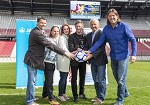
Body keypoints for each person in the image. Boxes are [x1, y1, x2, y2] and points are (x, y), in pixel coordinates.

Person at [86, 9, 137, 105]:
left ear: (117, 16)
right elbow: (100, 41)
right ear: (108, 18)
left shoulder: (124, 26)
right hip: (113, 57)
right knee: (117, 78)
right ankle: (125, 92)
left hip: (123, 56)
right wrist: (90, 50)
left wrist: (133, 54)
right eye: (110, 16)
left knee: (121, 80)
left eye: (114, 15)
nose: (112, 17)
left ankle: (120, 100)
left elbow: (133, 40)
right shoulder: (106, 29)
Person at [24, 17, 74, 105]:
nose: (43, 24)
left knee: (34, 81)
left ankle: (32, 98)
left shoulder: (39, 31)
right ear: (37, 23)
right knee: (31, 82)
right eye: (41, 22)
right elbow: (49, 44)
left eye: (44, 23)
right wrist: (65, 53)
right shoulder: (36, 32)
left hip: (35, 60)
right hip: (32, 59)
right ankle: (30, 101)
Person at [84, 18, 108, 104]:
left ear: (98, 25)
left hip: (100, 60)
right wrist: (84, 54)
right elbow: (87, 46)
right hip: (92, 61)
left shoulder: (102, 34)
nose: (93, 26)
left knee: (101, 80)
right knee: (95, 80)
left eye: (95, 24)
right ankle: (98, 95)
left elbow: (101, 48)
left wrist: (91, 55)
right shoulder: (89, 35)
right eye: (92, 24)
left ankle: (101, 98)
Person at [68, 20, 87, 102]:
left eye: (80, 26)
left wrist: (84, 52)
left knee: (82, 77)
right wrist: (77, 50)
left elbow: (87, 48)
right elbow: (70, 49)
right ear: (75, 27)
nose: (78, 28)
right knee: (74, 78)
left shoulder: (85, 36)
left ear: (82, 27)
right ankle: (75, 95)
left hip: (83, 61)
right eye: (77, 26)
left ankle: (81, 94)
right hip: (74, 61)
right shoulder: (71, 36)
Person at [42, 26, 60, 105]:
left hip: (53, 62)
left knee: (47, 79)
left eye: (57, 31)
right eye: (54, 31)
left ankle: (44, 94)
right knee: (50, 80)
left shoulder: (58, 40)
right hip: (47, 61)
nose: (56, 33)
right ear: (51, 31)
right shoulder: (48, 39)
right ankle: (51, 99)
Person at [57, 24, 71, 101]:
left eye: (67, 29)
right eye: (64, 29)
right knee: (63, 78)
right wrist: (71, 54)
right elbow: (63, 48)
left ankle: (63, 93)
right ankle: (60, 94)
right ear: (62, 30)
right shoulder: (61, 38)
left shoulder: (67, 37)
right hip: (63, 60)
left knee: (65, 78)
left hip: (66, 60)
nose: (66, 30)